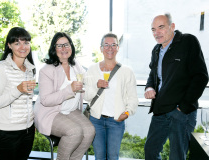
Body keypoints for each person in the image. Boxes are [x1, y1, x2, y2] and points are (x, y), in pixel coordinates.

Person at [144, 13, 209, 160]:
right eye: (153, 29)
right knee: (150, 151)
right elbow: (152, 75)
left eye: (161, 27)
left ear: (172, 26)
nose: (156, 32)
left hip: (181, 112)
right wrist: (149, 87)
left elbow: (201, 76)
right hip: (160, 111)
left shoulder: (187, 41)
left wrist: (184, 106)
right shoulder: (156, 50)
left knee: (177, 156)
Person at [34, 32, 95, 160]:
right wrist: (70, 89)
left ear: (71, 46)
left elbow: (87, 78)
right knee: (75, 132)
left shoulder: (75, 65)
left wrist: (97, 81)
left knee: (90, 132)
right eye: (59, 46)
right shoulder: (46, 70)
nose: (64, 49)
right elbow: (46, 100)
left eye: (66, 45)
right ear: (53, 49)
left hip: (71, 110)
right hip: (52, 112)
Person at [84, 33, 138, 160]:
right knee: (100, 157)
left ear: (118, 48)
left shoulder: (126, 71)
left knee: (113, 157)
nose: (110, 48)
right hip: (96, 120)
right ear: (101, 48)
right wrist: (96, 86)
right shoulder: (92, 69)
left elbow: (133, 97)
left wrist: (127, 113)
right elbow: (86, 96)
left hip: (116, 121)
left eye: (113, 45)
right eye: (106, 45)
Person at [0, 27, 36, 160]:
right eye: (17, 43)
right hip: (6, 134)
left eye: (26, 42)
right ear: (9, 45)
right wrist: (17, 90)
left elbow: (27, 101)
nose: (23, 47)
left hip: (27, 131)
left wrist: (31, 121)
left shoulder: (30, 70)